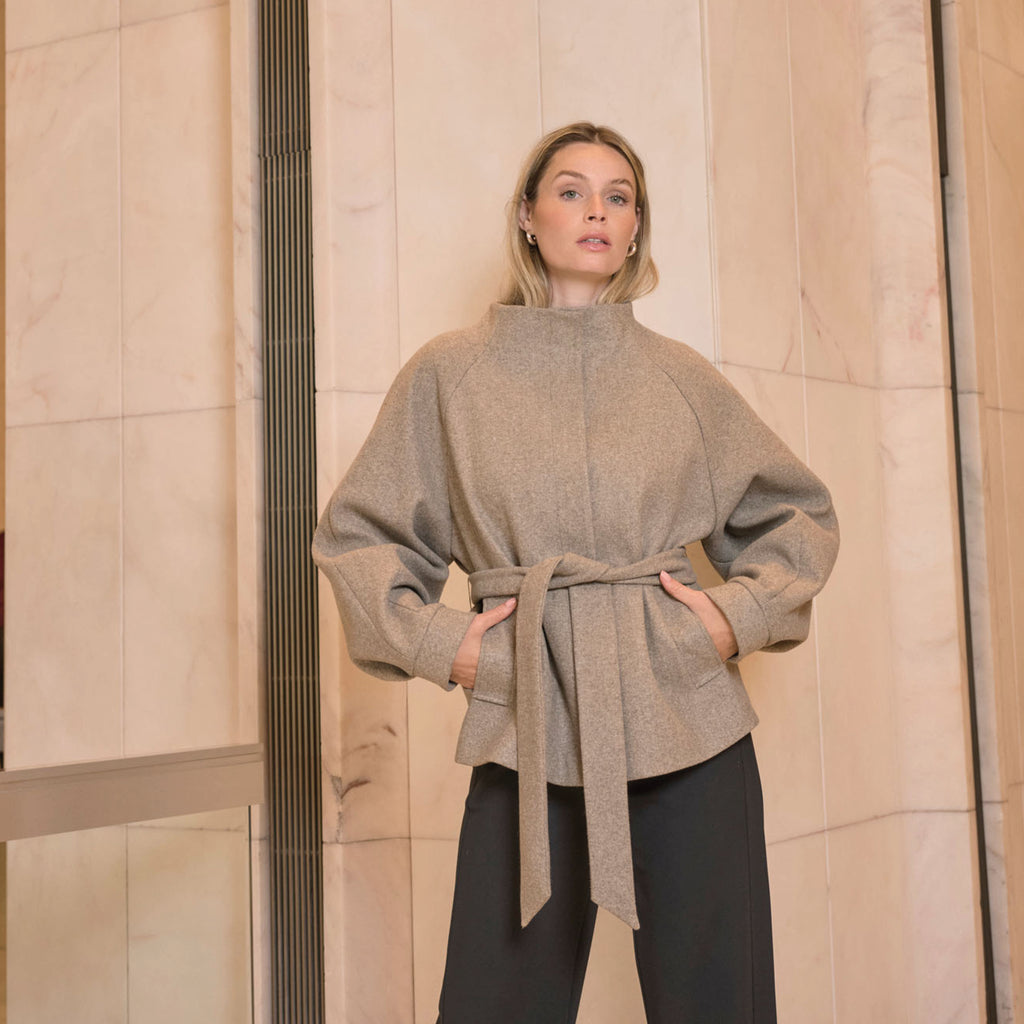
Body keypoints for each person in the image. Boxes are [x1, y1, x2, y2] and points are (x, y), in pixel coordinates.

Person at [312, 122, 839, 1024]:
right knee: (495, 1004)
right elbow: (359, 537)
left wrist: (728, 622)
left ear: (634, 231)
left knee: (719, 1003)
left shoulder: (681, 378)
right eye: (570, 190)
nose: (596, 209)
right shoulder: (449, 374)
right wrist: (449, 646)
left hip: (688, 723)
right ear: (527, 215)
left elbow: (798, 515)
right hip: (528, 719)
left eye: (617, 196)